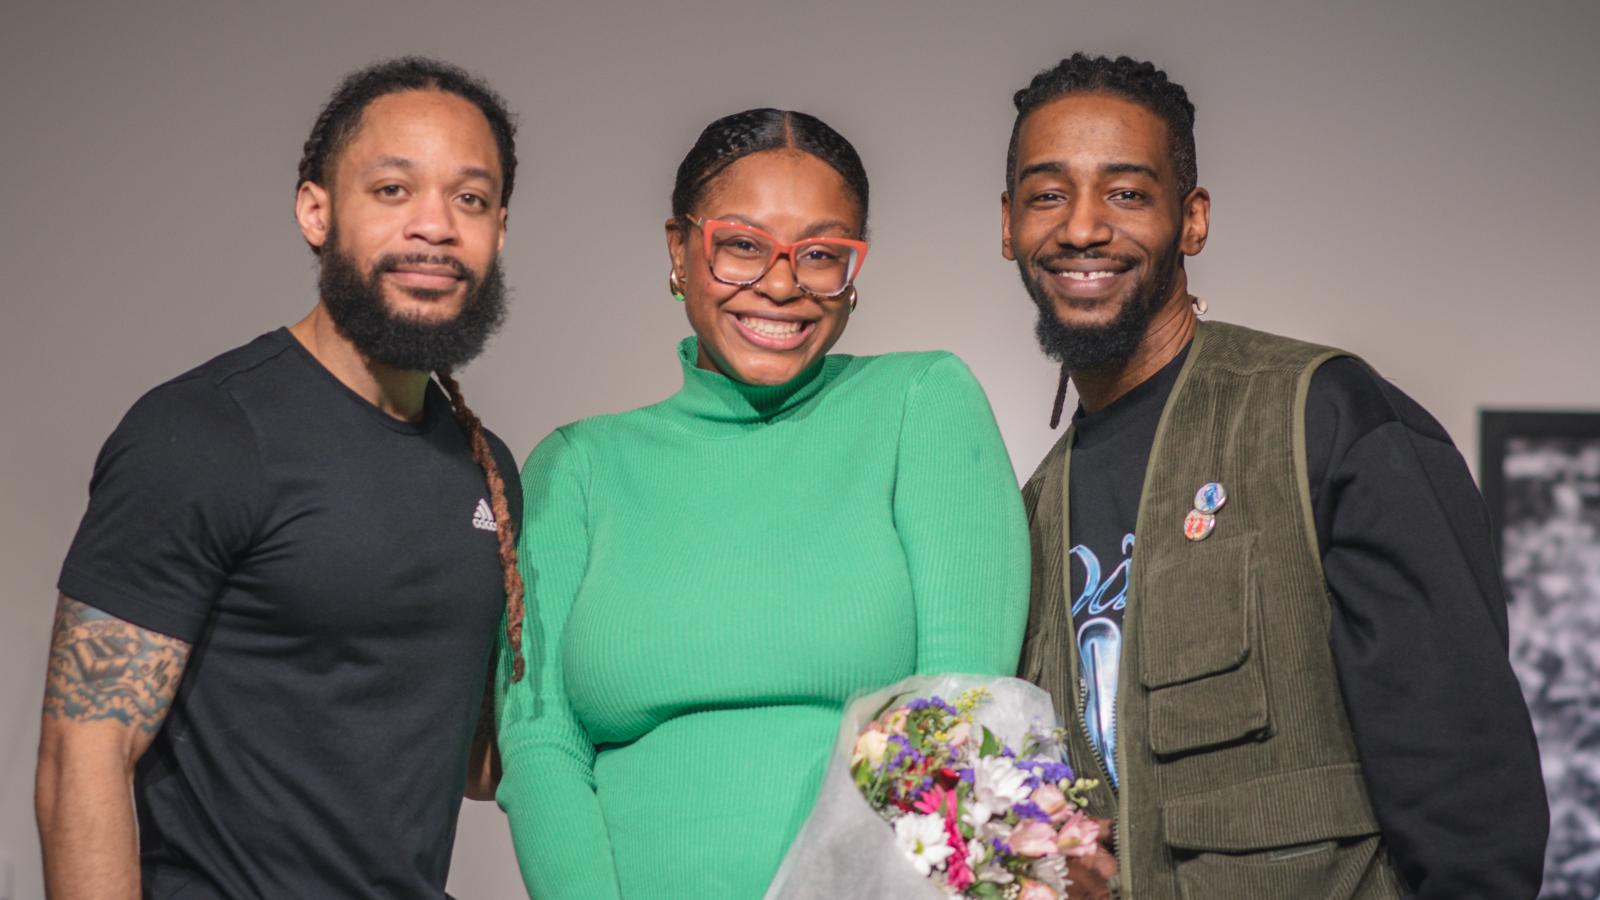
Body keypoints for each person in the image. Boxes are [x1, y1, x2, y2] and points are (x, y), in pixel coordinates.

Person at [1007, 54, 1548, 899]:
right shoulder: (1035, 508)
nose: (1081, 228)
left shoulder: (1322, 417)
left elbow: (1467, 782)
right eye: (1048, 194)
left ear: (1192, 219)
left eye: (1126, 193)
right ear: (1008, 226)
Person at [495, 108, 1030, 898]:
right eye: (742, 245)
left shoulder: (921, 403)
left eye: (820, 255)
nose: (782, 285)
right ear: (681, 249)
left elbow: (962, 713)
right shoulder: (576, 466)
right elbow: (539, 746)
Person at [34, 57, 524, 899]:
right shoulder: (204, 432)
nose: (435, 227)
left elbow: (481, 762)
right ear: (316, 211)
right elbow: (83, 754)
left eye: (470, 199)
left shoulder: (484, 469)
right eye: (393, 190)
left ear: (500, 231)